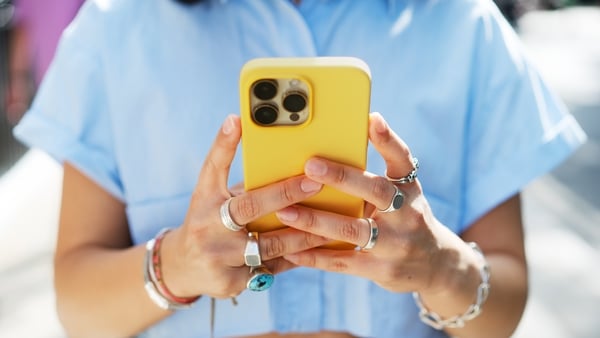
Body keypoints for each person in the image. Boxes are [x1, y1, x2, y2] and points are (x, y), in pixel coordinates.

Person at [13, 0, 586, 337]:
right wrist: (177, 265)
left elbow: (505, 303)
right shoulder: (118, 28)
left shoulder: (464, 24)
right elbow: (76, 303)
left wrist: (442, 269)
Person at [4, 0, 84, 124]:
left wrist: (17, 82)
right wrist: (17, 82)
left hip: (70, 84)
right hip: (56, 86)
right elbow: (24, 30)